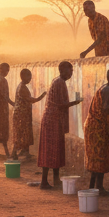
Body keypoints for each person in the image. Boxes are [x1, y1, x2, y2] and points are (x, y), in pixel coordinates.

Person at [38, 61, 83, 189]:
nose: (71, 73)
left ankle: (55, 180)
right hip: (52, 120)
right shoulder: (60, 83)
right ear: (63, 70)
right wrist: (76, 102)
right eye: (70, 71)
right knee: (49, 150)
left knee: (55, 150)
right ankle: (44, 182)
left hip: (52, 119)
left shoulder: (58, 81)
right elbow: (61, 104)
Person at [10, 68, 46, 160]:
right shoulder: (22, 88)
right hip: (21, 114)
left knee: (25, 132)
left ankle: (25, 151)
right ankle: (14, 153)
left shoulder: (22, 86)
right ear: (23, 76)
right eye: (29, 76)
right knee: (20, 133)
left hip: (23, 114)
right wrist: (42, 96)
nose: (30, 78)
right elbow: (31, 100)